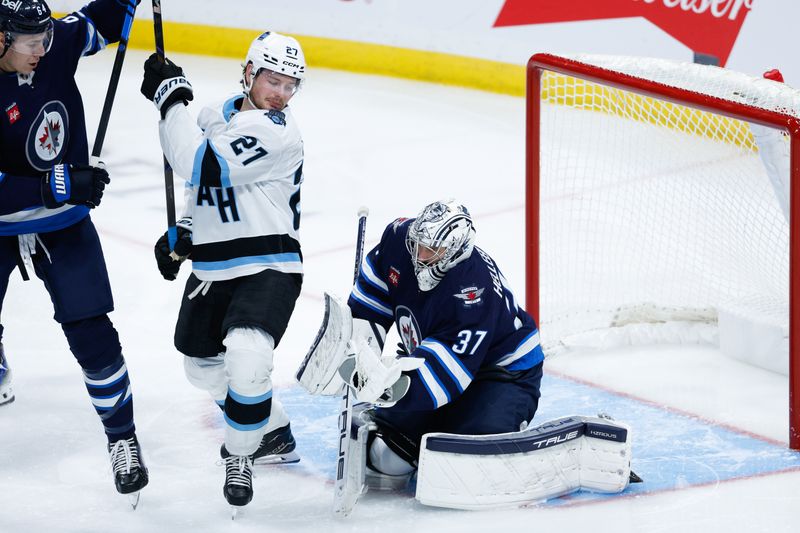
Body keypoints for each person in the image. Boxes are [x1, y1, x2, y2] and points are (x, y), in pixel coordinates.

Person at [141, 31, 306, 509]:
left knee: (248, 355)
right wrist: (187, 230)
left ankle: (241, 453)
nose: (281, 93)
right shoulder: (218, 115)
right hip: (215, 266)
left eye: (291, 85)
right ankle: (271, 432)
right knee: (200, 365)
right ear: (250, 72)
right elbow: (205, 191)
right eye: (273, 80)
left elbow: (195, 163)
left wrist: (170, 100)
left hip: (269, 262)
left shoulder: (277, 131)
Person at [0, 0, 148, 498]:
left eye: (45, 39)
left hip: (63, 223)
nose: (42, 50)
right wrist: (55, 183)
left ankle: (122, 438)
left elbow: (100, 21)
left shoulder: (51, 42)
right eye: (29, 44)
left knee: (91, 332)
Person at [335, 200, 545, 485]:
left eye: (432, 251)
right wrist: (357, 353)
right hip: (437, 355)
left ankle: (501, 424)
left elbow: (446, 374)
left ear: (455, 252)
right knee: (386, 456)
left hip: (502, 374)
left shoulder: (472, 291)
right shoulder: (399, 239)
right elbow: (371, 297)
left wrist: (390, 388)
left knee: (466, 467)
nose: (420, 256)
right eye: (418, 245)